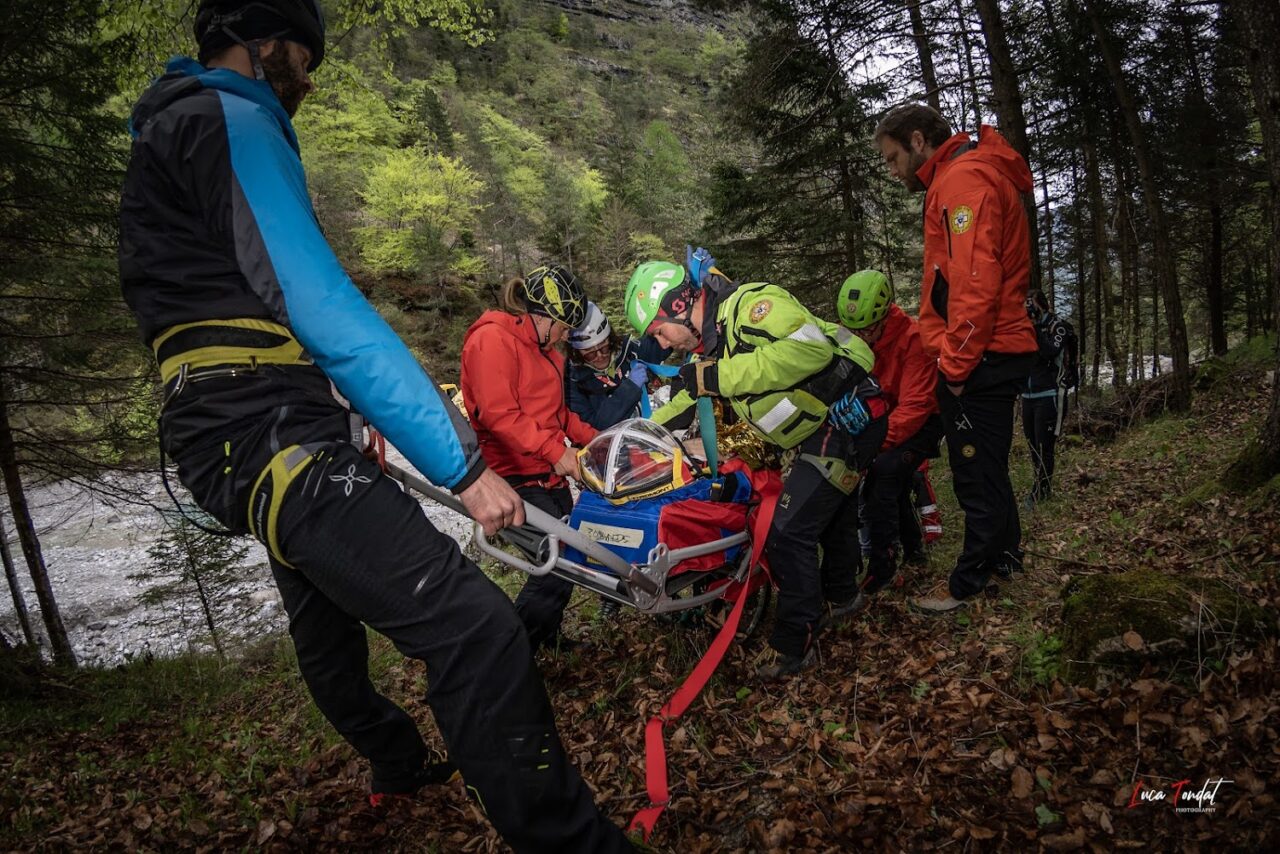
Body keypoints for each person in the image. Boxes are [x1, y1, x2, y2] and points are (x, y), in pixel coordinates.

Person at [117, 3, 629, 850]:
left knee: (324, 632)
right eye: (301, 59)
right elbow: (326, 310)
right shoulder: (233, 117)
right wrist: (463, 471)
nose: (307, 81)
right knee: (476, 627)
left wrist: (349, 419)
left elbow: (244, 313)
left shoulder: (170, 134)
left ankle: (395, 761)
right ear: (260, 39)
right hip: (270, 428)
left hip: (237, 430)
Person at [625, 253, 884, 681]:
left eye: (659, 332)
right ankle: (843, 595)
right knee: (828, 510)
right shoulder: (711, 349)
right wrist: (635, 434)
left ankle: (794, 644)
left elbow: (811, 350)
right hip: (822, 427)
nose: (665, 344)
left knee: (786, 532)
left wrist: (721, 377)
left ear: (677, 306)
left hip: (848, 416)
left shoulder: (748, 307)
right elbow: (689, 399)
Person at [873, 102, 1038, 613]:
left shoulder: (963, 182)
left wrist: (957, 366)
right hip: (987, 350)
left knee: (973, 471)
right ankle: (1006, 559)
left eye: (893, 157)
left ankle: (969, 580)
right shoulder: (961, 175)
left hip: (981, 355)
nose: (893, 170)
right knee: (988, 467)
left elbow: (973, 281)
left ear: (919, 141)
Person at [460, 265, 598, 651]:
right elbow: (497, 413)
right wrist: (556, 452)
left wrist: (598, 441)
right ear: (543, 317)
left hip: (547, 475)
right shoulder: (492, 340)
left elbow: (559, 415)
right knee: (554, 564)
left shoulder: (550, 353)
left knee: (567, 562)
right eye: (564, 327)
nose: (566, 336)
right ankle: (514, 654)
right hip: (512, 477)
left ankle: (546, 638)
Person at [835, 271, 944, 604]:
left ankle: (883, 567)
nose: (860, 337)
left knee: (884, 473)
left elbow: (916, 405)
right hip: (885, 417)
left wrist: (874, 445)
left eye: (867, 330)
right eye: (854, 330)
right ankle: (914, 553)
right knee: (892, 480)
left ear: (884, 316)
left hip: (924, 421)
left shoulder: (913, 339)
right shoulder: (856, 337)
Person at [566, 301, 669, 430]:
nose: (599, 356)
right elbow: (594, 426)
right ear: (577, 352)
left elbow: (663, 341)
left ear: (610, 339)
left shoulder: (628, 352)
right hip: (603, 446)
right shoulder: (573, 381)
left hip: (641, 435)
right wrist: (630, 387)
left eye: (604, 348)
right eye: (590, 354)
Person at [1022, 288, 1075, 506]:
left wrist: (1035, 327)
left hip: (1050, 394)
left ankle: (1042, 490)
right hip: (1027, 395)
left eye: (1031, 303)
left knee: (1045, 445)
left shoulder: (1057, 326)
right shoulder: (1025, 328)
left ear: (1042, 304)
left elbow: (1050, 352)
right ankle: (1039, 484)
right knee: (1033, 445)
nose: (1028, 308)